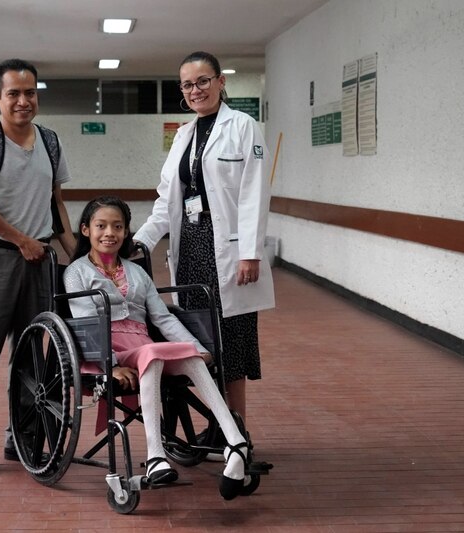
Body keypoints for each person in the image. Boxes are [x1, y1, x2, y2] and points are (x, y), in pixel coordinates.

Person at [64, 196, 255, 500]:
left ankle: (235, 441)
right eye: (101, 226)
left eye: (117, 226)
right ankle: (156, 456)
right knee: (153, 355)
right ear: (86, 230)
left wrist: (195, 346)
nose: (109, 233)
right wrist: (110, 364)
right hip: (108, 348)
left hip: (143, 344)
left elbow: (163, 317)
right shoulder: (76, 272)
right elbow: (86, 322)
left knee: (188, 357)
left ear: (126, 232)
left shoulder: (136, 272)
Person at [133, 51, 275, 435]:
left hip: (229, 249)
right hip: (191, 246)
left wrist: (250, 252)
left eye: (203, 81)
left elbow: (254, 193)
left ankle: (237, 428)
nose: (195, 90)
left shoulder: (244, 126)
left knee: (232, 341)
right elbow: (168, 200)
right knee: (198, 340)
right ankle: (217, 423)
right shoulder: (183, 134)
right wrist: (140, 240)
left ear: (220, 81)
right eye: (187, 84)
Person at [0, 58, 76, 481]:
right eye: (14, 94)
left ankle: (20, 435)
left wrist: (77, 253)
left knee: (31, 357)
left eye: (30, 93)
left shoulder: (50, 141)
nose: (23, 101)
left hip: (40, 261)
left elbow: (55, 201)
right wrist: (20, 239)